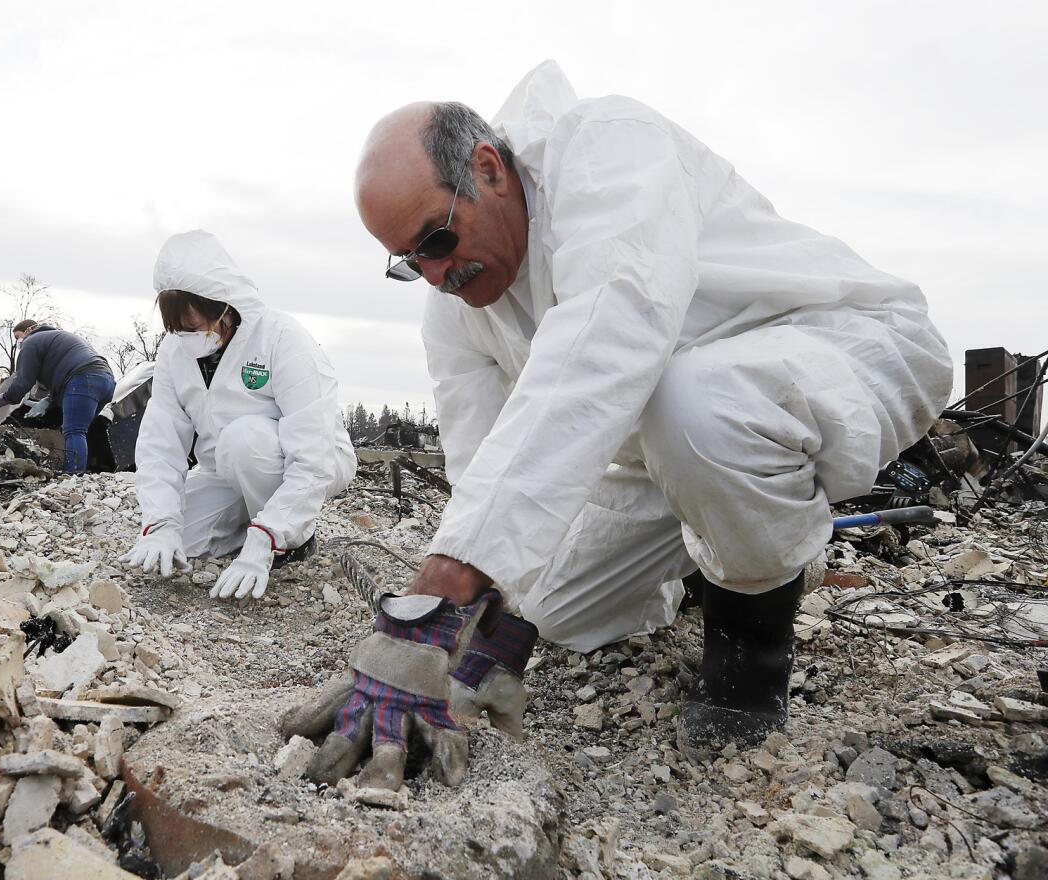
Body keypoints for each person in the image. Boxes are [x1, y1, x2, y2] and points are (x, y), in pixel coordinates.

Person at [285, 61, 953, 791]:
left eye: (437, 242)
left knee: (693, 405)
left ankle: (752, 641)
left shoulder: (608, 152)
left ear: (488, 169)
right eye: (410, 263)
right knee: (550, 610)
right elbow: (484, 470)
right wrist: (473, 638)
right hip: (669, 449)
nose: (436, 275)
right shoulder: (454, 310)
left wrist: (432, 597)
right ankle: (721, 541)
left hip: (838, 348)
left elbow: (605, 347)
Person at [120, 230, 356, 602]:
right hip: (225, 468)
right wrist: (162, 522)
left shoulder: (280, 338)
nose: (188, 339)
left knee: (243, 439)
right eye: (178, 330)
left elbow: (312, 454)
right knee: (185, 541)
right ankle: (256, 522)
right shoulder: (173, 353)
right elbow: (160, 441)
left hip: (308, 458)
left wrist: (266, 540)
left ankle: (292, 537)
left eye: (195, 328)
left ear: (224, 309)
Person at [0, 319, 116, 474]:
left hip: (84, 378)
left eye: (18, 337)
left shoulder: (32, 341)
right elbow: (63, 377)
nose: (18, 342)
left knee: (74, 431)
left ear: (30, 330)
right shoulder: (58, 340)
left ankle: (73, 476)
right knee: (80, 430)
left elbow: (23, 382)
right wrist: (47, 400)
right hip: (106, 380)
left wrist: (1, 399)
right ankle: (91, 473)